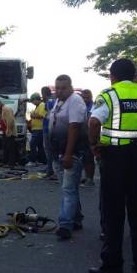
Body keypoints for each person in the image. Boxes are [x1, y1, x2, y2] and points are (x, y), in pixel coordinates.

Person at [87, 59, 137, 273]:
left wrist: (94, 146)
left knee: (113, 212)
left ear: (112, 76)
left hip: (115, 160)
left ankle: (112, 266)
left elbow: (93, 123)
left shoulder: (109, 96)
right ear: (135, 76)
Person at [48, 75, 87, 240]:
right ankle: (76, 218)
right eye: (57, 88)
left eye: (63, 88)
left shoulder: (75, 101)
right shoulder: (60, 101)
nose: (59, 91)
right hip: (59, 152)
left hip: (71, 152)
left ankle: (65, 225)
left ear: (71, 87)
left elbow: (74, 127)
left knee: (68, 189)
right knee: (70, 189)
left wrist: (69, 154)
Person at [0, 99, 19, 167]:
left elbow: (10, 121)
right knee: (5, 147)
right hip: (5, 132)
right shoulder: (3, 109)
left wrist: (8, 131)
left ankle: (11, 163)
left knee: (10, 148)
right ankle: (5, 162)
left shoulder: (6, 109)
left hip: (9, 132)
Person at [79, 89, 96, 187]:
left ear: (91, 97)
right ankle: (86, 176)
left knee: (89, 158)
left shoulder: (93, 106)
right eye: (83, 97)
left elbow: (89, 120)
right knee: (84, 157)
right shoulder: (81, 106)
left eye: (87, 97)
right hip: (82, 134)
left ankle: (90, 179)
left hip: (90, 134)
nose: (85, 99)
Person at [41, 86, 56, 179]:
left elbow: (51, 115)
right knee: (51, 151)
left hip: (48, 129)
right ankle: (50, 169)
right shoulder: (53, 100)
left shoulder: (50, 102)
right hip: (51, 129)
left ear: (43, 93)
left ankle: (51, 170)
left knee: (49, 151)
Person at [28, 92, 47, 165]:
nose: (32, 103)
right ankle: (42, 161)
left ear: (36, 99)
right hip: (36, 129)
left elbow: (42, 115)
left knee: (32, 144)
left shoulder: (42, 105)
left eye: (33, 101)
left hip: (39, 129)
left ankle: (32, 161)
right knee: (40, 146)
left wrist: (33, 115)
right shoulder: (37, 106)